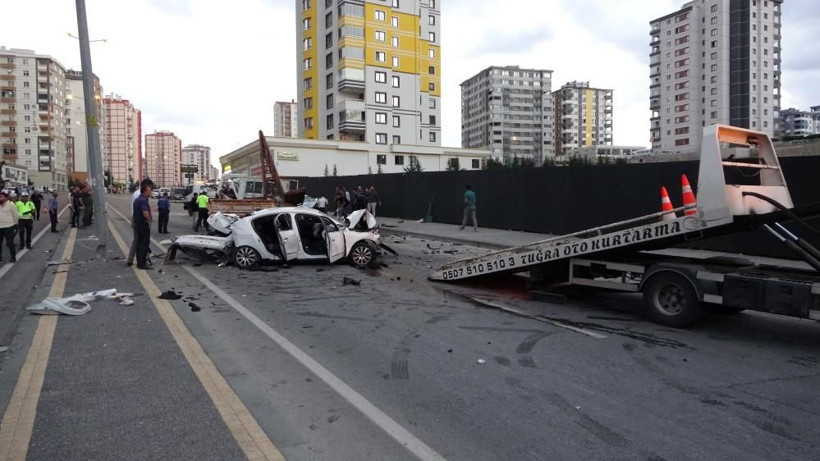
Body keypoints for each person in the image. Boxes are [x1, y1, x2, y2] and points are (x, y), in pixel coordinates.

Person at [127, 179, 154, 266]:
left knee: (140, 241)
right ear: (145, 188)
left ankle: (141, 259)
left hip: (137, 218)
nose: (151, 191)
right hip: (139, 221)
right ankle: (136, 260)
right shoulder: (140, 196)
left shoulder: (139, 196)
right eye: (150, 189)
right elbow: (144, 212)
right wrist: (149, 220)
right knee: (140, 242)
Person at [0, 191, 19, 262]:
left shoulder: (11, 204)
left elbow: (16, 215)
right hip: (0, 227)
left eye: (1, 197)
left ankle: (13, 258)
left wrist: (15, 224)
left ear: (5, 197)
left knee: (10, 243)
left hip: (9, 227)